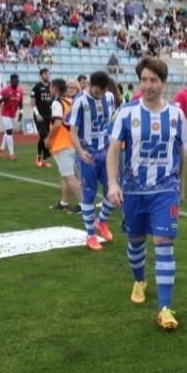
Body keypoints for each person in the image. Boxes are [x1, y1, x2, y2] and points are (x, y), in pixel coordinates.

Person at [106, 58, 187, 330]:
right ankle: (139, 279)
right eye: (144, 79)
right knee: (136, 241)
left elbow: (181, 152)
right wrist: (112, 184)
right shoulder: (127, 113)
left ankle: (165, 308)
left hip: (165, 190)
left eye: (154, 80)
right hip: (133, 190)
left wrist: (182, 184)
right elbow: (114, 150)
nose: (148, 85)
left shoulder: (176, 115)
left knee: (164, 243)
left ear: (163, 83)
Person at [68, 71, 122, 250]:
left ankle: (101, 221)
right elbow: (73, 132)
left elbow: (111, 123)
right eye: (96, 92)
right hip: (88, 156)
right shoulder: (79, 102)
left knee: (114, 191)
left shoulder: (109, 98)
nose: (99, 95)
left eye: (102, 92)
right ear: (89, 85)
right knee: (89, 195)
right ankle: (90, 235)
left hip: (106, 153)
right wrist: (81, 152)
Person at [44, 78, 82, 212]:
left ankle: (83, 205)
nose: (49, 90)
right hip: (71, 142)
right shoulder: (70, 101)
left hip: (62, 143)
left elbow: (57, 124)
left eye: (50, 87)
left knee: (69, 175)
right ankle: (64, 202)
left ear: (55, 88)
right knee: (65, 174)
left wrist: (48, 139)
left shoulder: (57, 103)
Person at [0, 74, 24, 160]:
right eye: (14, 80)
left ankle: (2, 149)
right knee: (9, 131)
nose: (16, 82)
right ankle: (11, 154)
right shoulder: (5, 90)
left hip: (13, 114)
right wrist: (4, 98)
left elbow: (21, 103)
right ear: (11, 81)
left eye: (17, 80)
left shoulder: (20, 91)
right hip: (5, 113)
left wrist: (21, 112)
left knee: (8, 131)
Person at [31, 68, 54, 168]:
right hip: (40, 116)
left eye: (48, 74)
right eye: (45, 74)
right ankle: (39, 158)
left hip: (50, 115)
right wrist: (37, 114)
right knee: (44, 135)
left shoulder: (51, 86)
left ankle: (44, 161)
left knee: (46, 136)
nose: (47, 75)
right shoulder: (37, 87)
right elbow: (32, 102)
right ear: (41, 75)